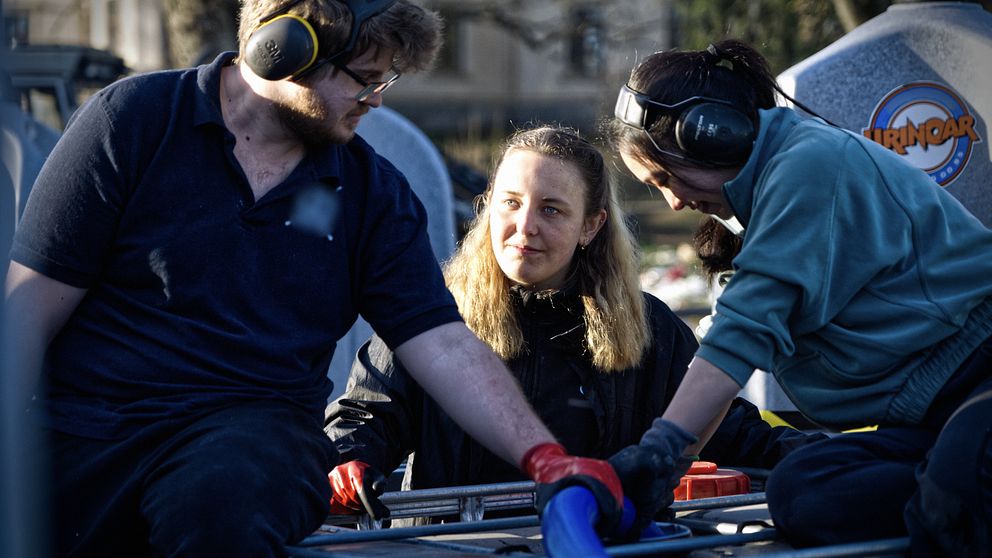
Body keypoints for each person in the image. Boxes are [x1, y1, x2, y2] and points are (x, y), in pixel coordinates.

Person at [1, 1, 623, 555]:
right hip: (88, 425)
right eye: (365, 78)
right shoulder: (132, 121)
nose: (377, 99)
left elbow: (444, 345)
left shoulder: (373, 195)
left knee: (224, 499)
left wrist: (546, 459)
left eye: (387, 80)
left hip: (249, 439)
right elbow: (29, 311)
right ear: (288, 49)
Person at [325, 125, 824, 525]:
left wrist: (834, 458)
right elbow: (367, 416)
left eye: (552, 209)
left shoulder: (648, 327)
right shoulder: (433, 317)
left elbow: (724, 426)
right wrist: (347, 459)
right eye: (511, 203)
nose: (525, 228)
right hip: (458, 544)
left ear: (592, 224)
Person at [608, 38, 992, 555]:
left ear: (715, 136)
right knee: (799, 488)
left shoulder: (808, 164)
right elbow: (727, 362)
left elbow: (739, 338)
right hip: (931, 416)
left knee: (959, 493)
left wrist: (658, 451)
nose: (673, 200)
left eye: (664, 176)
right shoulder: (769, 190)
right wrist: (664, 477)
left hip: (981, 373)